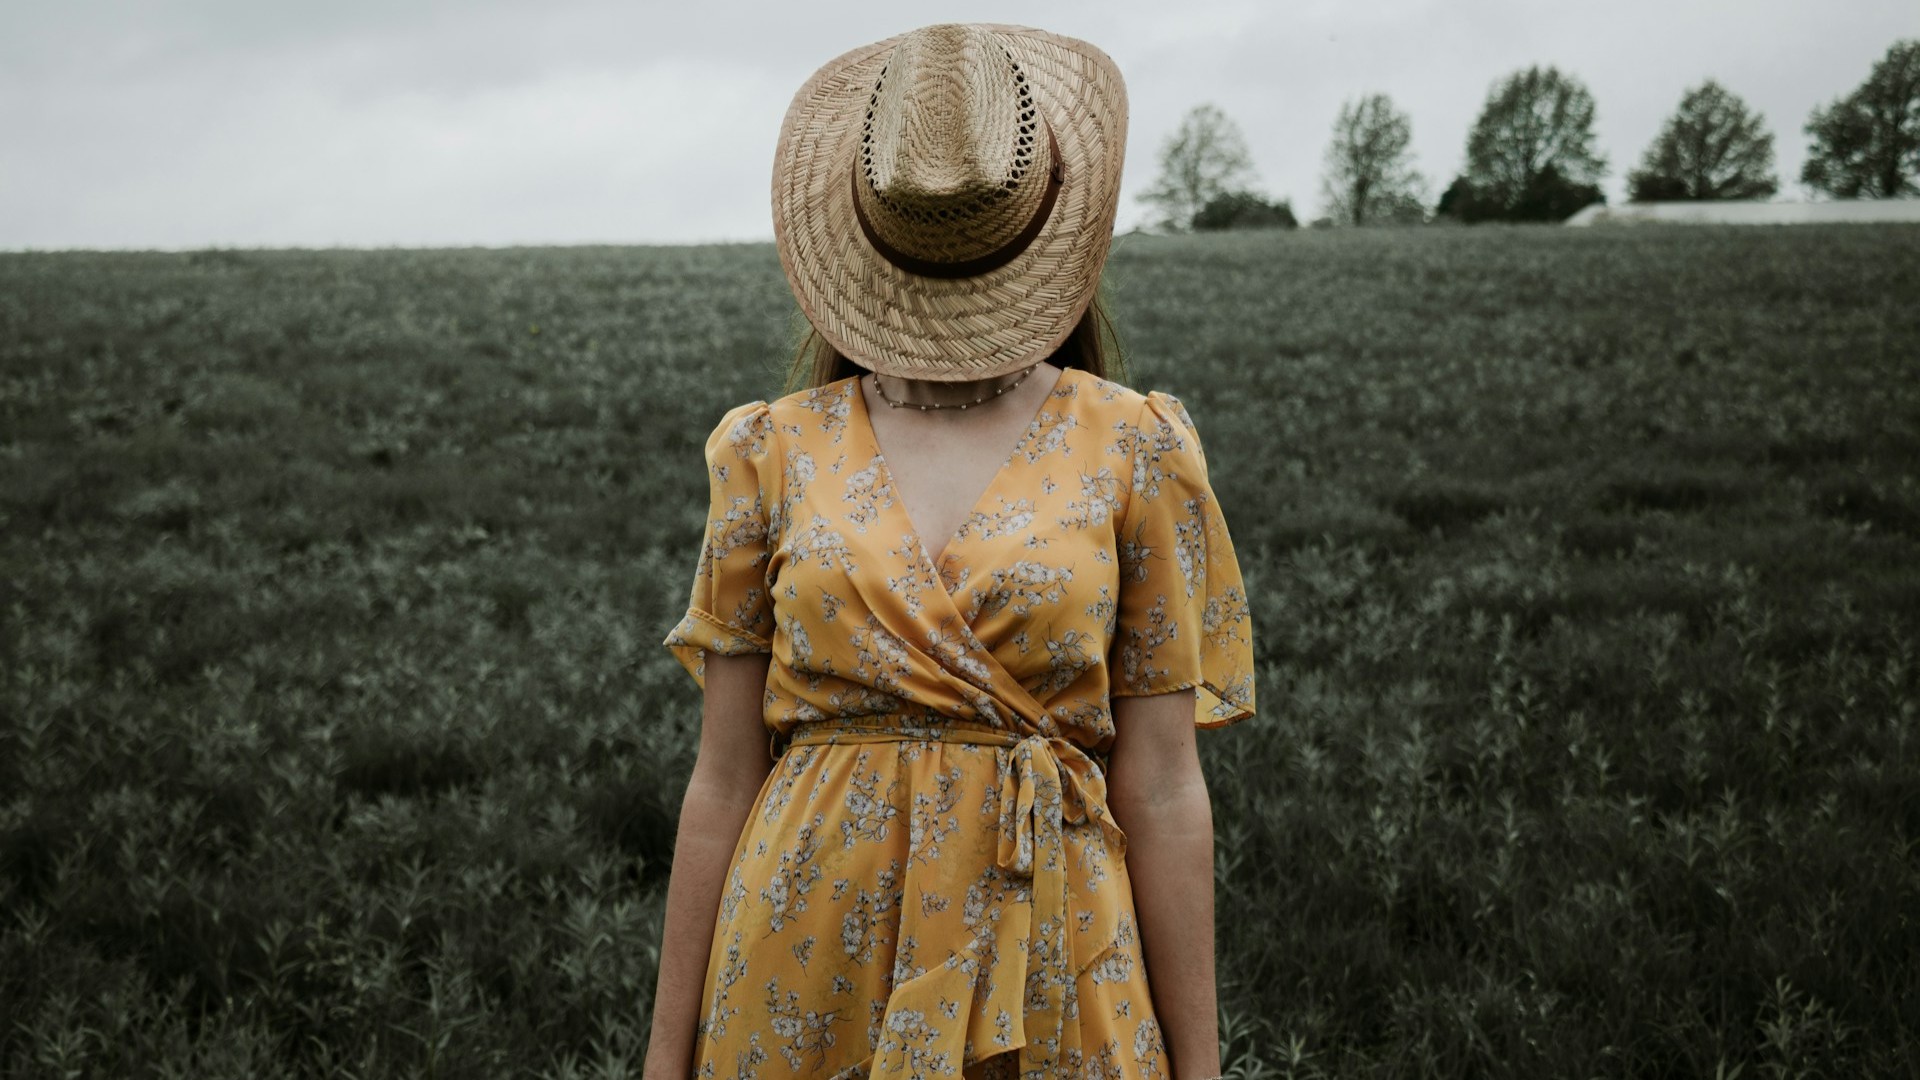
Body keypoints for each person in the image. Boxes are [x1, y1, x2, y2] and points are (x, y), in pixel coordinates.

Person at [643, 23, 1255, 1080]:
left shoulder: (1136, 448)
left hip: (1051, 953)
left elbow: (1160, 786)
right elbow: (723, 776)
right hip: (801, 961)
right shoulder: (767, 451)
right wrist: (664, 1060)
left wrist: (1200, 1071)